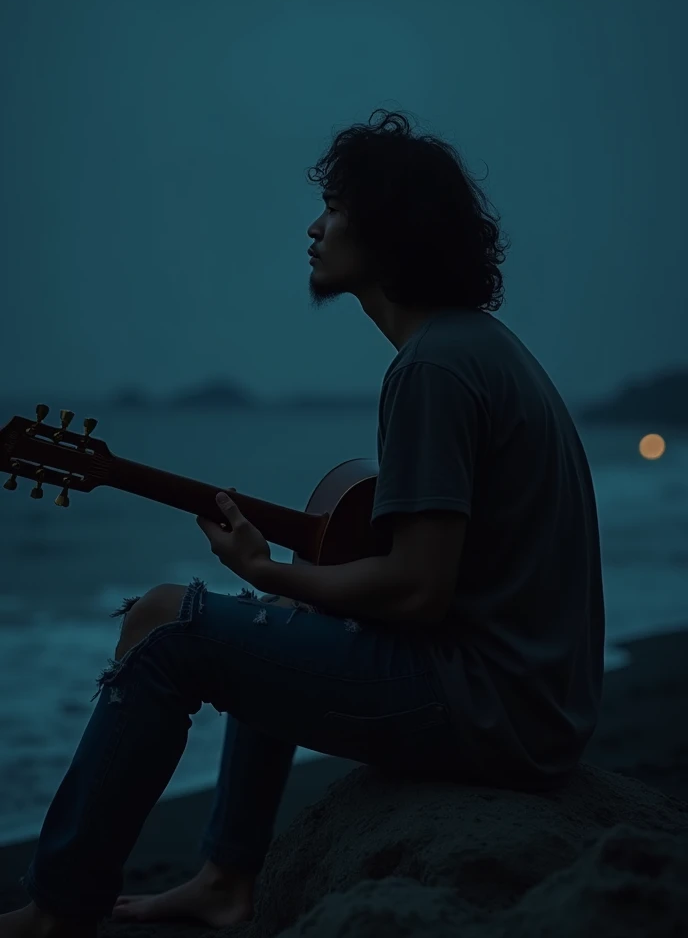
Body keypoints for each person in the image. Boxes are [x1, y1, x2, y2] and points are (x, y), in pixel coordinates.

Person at [0, 109, 605, 938]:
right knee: (280, 612)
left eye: (336, 209)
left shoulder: (433, 368)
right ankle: (226, 878)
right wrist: (294, 586)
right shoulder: (480, 348)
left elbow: (419, 589)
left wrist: (266, 571)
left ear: (389, 231)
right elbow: (440, 574)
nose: (314, 227)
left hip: (490, 711)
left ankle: (58, 910)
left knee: (169, 624)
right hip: (533, 705)